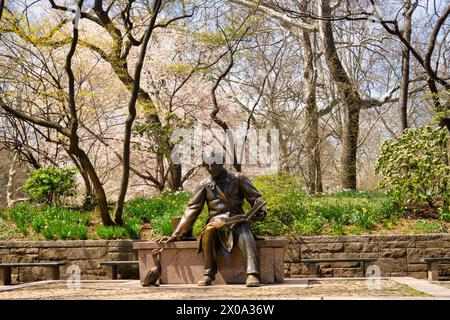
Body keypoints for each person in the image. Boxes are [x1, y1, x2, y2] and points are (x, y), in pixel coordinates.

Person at [158, 152, 267, 287]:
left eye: (214, 165)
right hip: (216, 221)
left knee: (245, 234)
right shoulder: (204, 184)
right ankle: (208, 274)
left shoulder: (239, 179)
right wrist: (177, 234)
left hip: (237, 219)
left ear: (222, 163)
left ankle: (252, 274)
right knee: (208, 233)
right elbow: (192, 209)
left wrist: (260, 209)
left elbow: (256, 198)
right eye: (207, 166)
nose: (211, 168)